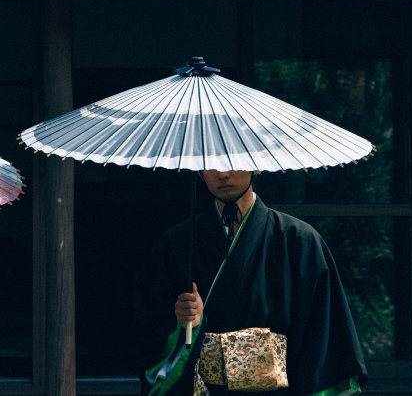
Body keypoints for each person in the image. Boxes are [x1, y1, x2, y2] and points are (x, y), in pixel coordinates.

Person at [134, 170, 367, 396]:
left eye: (232, 161)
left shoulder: (299, 241)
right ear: (199, 173)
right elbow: (148, 321)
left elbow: (320, 333)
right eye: (211, 164)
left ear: (255, 166)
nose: (223, 173)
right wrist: (184, 323)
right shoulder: (176, 243)